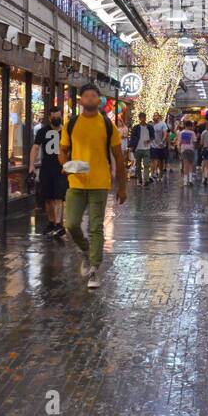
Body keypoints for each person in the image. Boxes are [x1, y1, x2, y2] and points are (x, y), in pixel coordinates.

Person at [59, 84, 127, 290]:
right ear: (80, 100)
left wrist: (122, 187)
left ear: (99, 101)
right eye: (85, 96)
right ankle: (87, 252)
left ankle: (95, 269)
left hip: (100, 182)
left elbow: (118, 157)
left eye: (93, 96)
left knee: (96, 226)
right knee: (71, 224)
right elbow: (62, 151)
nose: (89, 99)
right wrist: (66, 166)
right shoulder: (71, 124)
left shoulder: (108, 126)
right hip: (76, 182)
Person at [30, 106, 68, 239]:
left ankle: (59, 224)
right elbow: (35, 148)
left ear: (61, 116)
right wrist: (31, 166)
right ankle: (52, 222)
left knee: (58, 197)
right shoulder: (42, 131)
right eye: (53, 117)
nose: (56, 119)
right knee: (48, 198)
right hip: (46, 168)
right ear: (49, 118)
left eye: (58, 116)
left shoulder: (66, 132)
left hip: (61, 169)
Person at [129, 111, 154, 188]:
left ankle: (146, 180)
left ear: (145, 118)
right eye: (141, 118)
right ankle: (139, 180)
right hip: (138, 148)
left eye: (144, 117)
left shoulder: (149, 127)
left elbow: (153, 136)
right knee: (138, 165)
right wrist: (132, 147)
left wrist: (149, 140)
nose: (143, 119)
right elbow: (132, 138)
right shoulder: (136, 128)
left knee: (146, 165)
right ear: (139, 118)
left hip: (147, 148)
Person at [178, 119, 198, 186]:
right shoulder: (192, 133)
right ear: (190, 126)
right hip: (191, 149)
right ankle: (190, 179)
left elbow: (179, 142)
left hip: (183, 150)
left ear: (184, 125)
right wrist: (194, 148)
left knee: (185, 165)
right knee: (190, 165)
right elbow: (195, 141)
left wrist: (179, 149)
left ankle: (185, 181)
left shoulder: (181, 133)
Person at [150, 112, 168, 180]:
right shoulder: (151, 125)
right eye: (154, 115)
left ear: (159, 117)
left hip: (161, 145)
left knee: (160, 161)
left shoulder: (162, 124)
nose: (154, 117)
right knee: (152, 159)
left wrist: (162, 141)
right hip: (153, 145)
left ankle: (160, 174)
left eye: (156, 116)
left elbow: (165, 133)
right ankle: (152, 174)